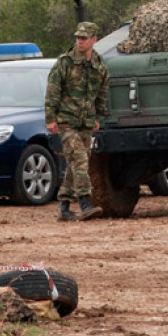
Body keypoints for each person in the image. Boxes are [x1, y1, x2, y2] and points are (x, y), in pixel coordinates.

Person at [45, 21, 109, 222]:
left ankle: (64, 207)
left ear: (93, 40)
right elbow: (53, 91)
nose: (79, 41)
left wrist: (98, 116)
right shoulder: (65, 62)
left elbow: (102, 92)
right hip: (67, 120)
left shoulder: (98, 64)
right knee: (79, 159)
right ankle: (84, 202)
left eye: (84, 38)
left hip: (86, 121)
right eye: (78, 38)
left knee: (76, 163)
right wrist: (51, 118)